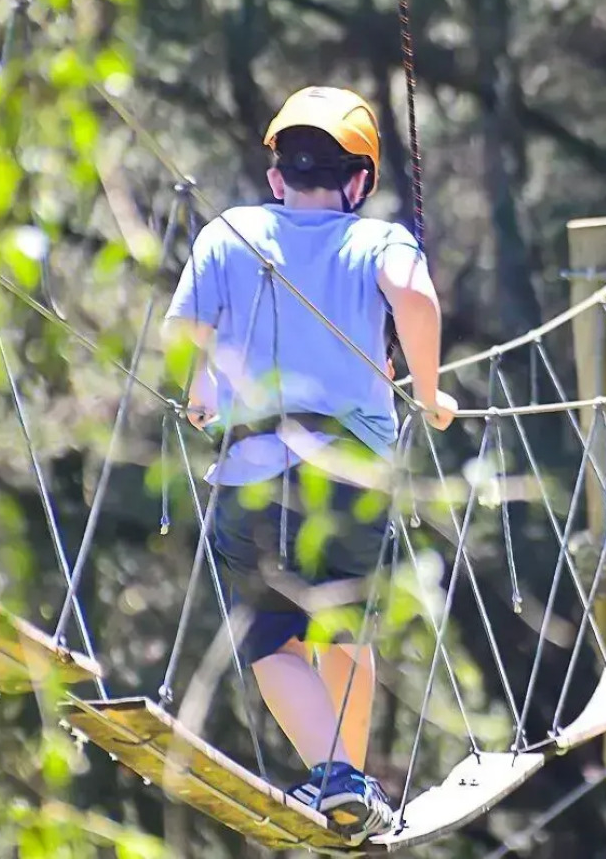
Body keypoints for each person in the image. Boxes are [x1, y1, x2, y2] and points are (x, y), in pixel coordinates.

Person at [163, 86, 458, 841]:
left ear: (275, 174)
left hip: (255, 464)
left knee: (268, 638)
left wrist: (199, 391)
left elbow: (182, 330)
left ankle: (340, 781)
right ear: (359, 180)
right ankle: (345, 788)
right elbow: (417, 302)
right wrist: (428, 393)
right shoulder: (380, 241)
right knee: (345, 630)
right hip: (353, 471)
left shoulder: (230, 232)